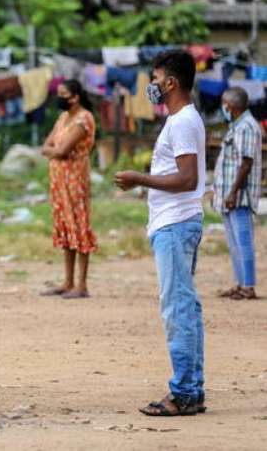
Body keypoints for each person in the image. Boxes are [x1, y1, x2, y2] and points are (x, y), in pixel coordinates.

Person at [114, 50, 206, 416]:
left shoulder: (182, 121)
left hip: (176, 224)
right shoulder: (182, 120)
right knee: (186, 306)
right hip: (176, 222)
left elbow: (188, 178)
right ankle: (191, 389)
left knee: (177, 307)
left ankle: (184, 392)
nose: (151, 86)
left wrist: (139, 179)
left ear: (171, 82)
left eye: (155, 79)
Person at [41, 79, 98, 299]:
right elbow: (46, 146)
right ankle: (68, 281)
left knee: (79, 226)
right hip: (60, 182)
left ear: (75, 97)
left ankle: (81, 285)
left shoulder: (84, 119)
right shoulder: (63, 118)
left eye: (63, 94)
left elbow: (61, 149)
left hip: (75, 181)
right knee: (66, 227)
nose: (59, 97)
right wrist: (53, 150)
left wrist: (54, 150)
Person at [213, 87, 262, 300]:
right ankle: (240, 283)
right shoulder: (237, 125)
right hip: (229, 195)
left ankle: (248, 286)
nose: (223, 107)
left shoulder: (247, 127)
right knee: (234, 244)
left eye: (224, 104)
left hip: (238, 196)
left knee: (243, 242)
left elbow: (246, 162)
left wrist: (233, 192)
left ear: (231, 106)